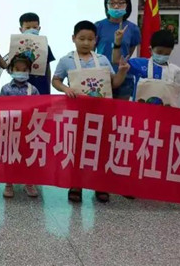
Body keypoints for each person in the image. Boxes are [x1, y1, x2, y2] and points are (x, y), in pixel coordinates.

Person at [52, 20, 129, 204]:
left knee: (101, 148)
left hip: (100, 112)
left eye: (90, 39)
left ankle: (100, 185)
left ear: (96, 40)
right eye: (82, 38)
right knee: (76, 148)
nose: (86, 43)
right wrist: (65, 89)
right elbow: (55, 80)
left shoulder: (102, 60)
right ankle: (76, 185)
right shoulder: (66, 60)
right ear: (73, 38)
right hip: (76, 112)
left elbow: (114, 83)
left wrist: (122, 72)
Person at [0, 54, 40, 198]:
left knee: (28, 156)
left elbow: (39, 108)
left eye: (24, 70)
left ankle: (29, 183)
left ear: (29, 71)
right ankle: (9, 183)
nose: (21, 72)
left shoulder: (33, 89)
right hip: (10, 129)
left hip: (28, 129)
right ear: (11, 70)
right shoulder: (6, 89)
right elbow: (0, 108)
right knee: (10, 157)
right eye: (17, 69)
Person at [95, 0, 141, 99]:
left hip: (124, 77)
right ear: (106, 6)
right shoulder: (98, 26)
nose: (116, 6)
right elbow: (91, 52)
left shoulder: (133, 29)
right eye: (112, 3)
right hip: (102, 76)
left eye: (120, 3)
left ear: (127, 5)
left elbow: (129, 53)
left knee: (121, 109)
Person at [18, 12, 56, 95]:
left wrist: (48, 87)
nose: (31, 30)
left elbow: (48, 69)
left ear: (39, 28)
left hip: (41, 86)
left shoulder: (45, 46)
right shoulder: (17, 46)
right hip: (22, 86)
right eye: (28, 28)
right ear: (21, 30)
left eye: (35, 27)